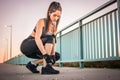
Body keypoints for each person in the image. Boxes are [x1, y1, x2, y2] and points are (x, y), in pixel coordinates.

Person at [20, 1, 62, 74]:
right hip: (27, 45)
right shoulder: (42, 21)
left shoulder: (54, 27)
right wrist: (45, 54)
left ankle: (32, 64)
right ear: (49, 13)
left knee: (56, 56)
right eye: (54, 15)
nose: (56, 18)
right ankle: (46, 68)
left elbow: (53, 42)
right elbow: (37, 38)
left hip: (37, 50)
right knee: (49, 38)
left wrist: (52, 54)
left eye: (58, 16)